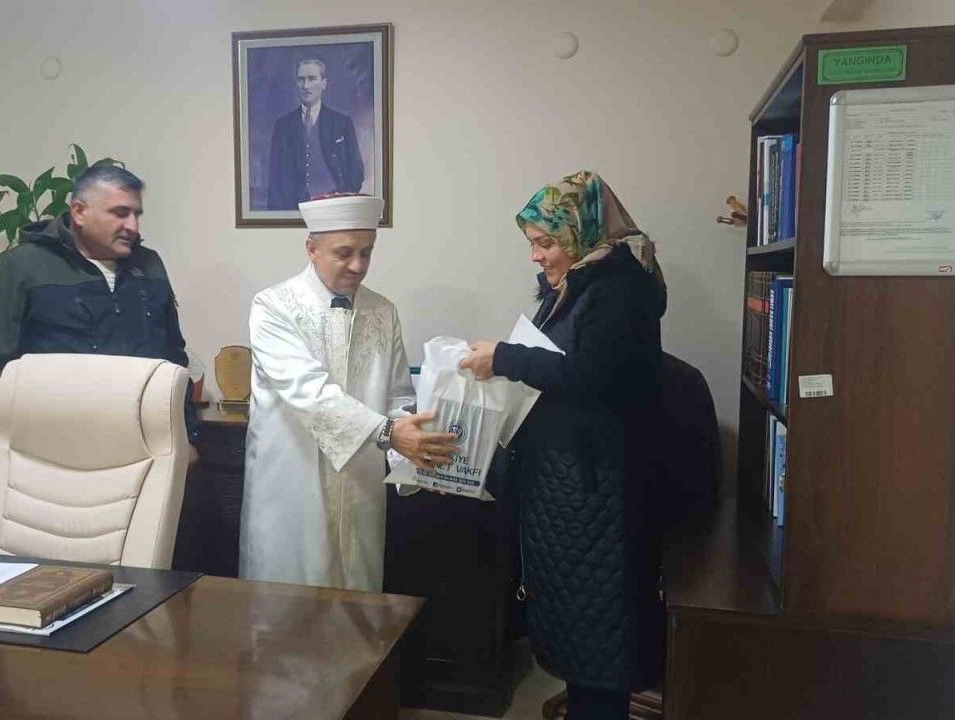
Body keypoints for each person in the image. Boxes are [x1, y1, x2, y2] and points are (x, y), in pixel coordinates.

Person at [459, 171, 667, 720]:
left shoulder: (617, 290)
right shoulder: (578, 282)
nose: (536, 256)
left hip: (599, 492)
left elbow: (589, 375)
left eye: (546, 242)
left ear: (582, 232)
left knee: (599, 639)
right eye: (532, 244)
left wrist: (505, 358)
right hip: (569, 488)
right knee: (579, 633)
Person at [240, 193, 456, 592]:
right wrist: (389, 432)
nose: (358, 265)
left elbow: (398, 397)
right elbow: (307, 390)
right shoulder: (273, 306)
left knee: (358, 603)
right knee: (285, 603)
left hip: (360, 483)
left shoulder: (382, 311)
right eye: (344, 253)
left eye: (367, 252)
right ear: (311, 248)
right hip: (292, 482)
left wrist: (420, 453)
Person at [0, 163, 200, 456]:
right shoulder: (22, 266)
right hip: (55, 452)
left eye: (136, 214)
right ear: (79, 212)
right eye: (120, 213)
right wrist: (5, 454)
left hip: (145, 449)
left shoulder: (149, 264)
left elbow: (174, 358)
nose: (133, 226)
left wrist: (187, 436)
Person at [266, 58, 365, 210]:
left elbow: (356, 172)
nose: (306, 86)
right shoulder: (283, 126)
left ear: (324, 84)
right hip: (292, 210)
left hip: (332, 209)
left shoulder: (341, 123)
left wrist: (341, 201)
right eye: (301, 79)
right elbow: (274, 178)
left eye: (312, 79)